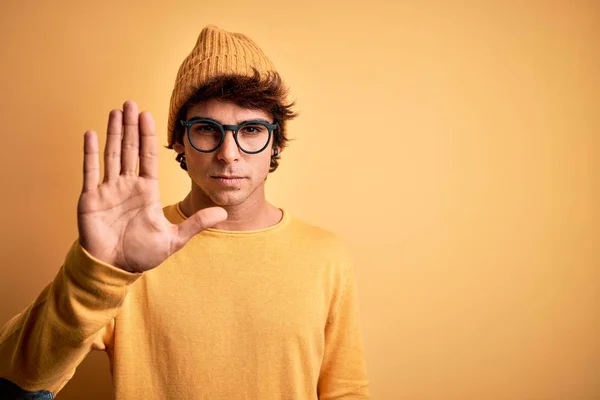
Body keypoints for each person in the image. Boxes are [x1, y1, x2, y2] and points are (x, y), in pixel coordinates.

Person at [0, 25, 370, 399]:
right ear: (180, 140)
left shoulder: (325, 254)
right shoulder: (133, 250)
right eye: (208, 129)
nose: (229, 153)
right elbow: (18, 377)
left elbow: (345, 391)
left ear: (276, 141)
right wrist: (96, 274)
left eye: (252, 129)